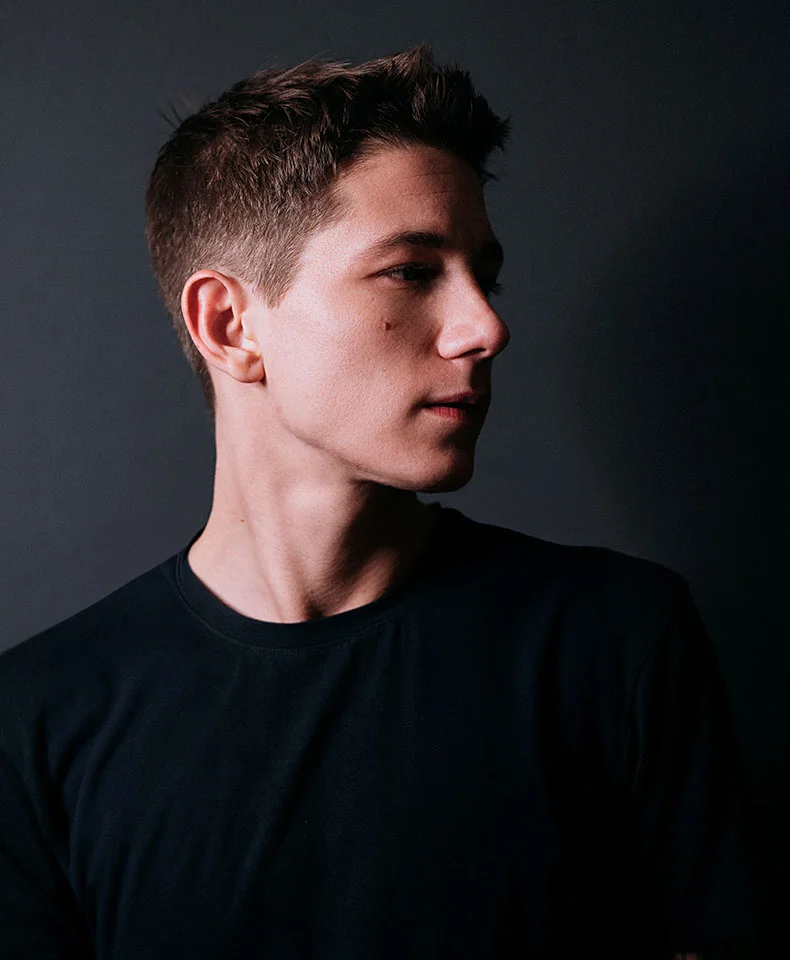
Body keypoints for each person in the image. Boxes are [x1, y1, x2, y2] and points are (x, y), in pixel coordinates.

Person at [0, 43, 758, 959]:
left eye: (485, 275)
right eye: (412, 271)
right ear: (230, 326)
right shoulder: (37, 722)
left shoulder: (615, 642)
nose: (486, 326)